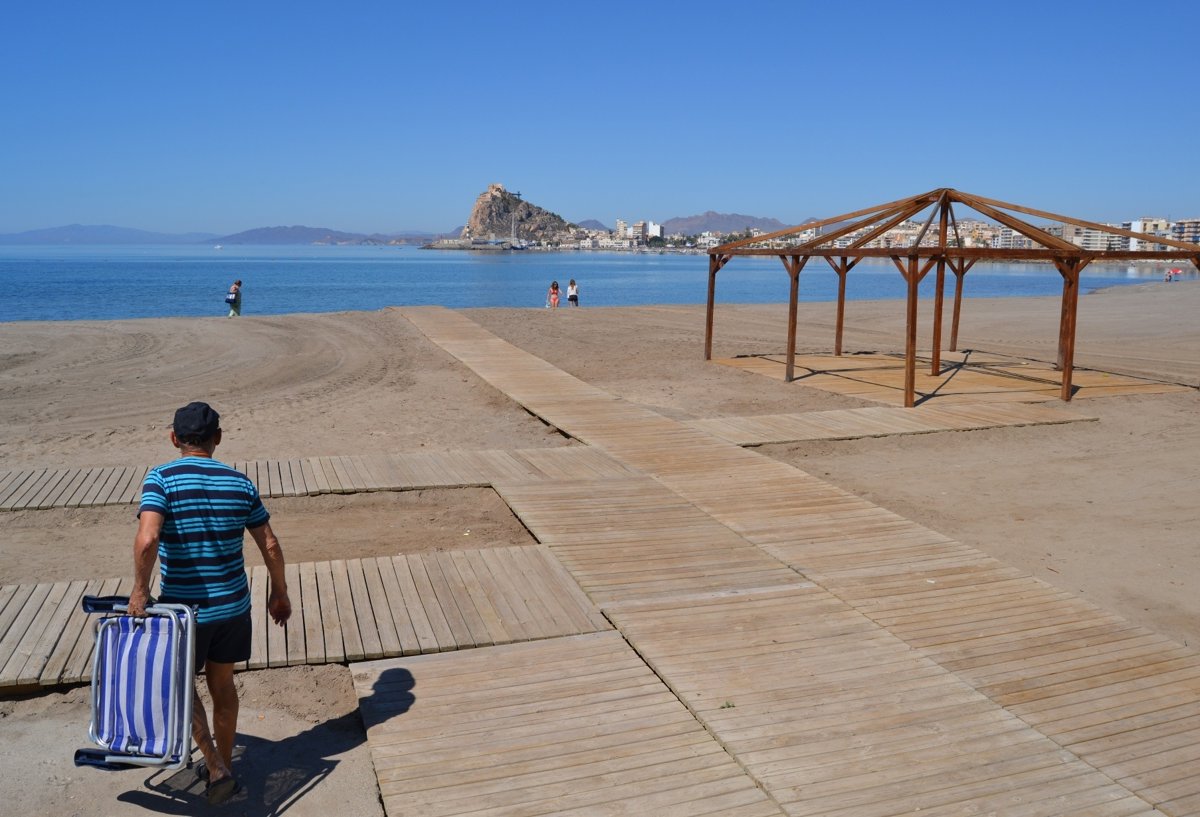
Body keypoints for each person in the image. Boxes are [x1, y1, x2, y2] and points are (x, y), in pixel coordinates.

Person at [128, 401, 290, 806]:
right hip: (233, 608)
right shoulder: (240, 483)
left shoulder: (161, 479)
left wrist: (140, 590)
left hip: (186, 614)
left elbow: (148, 539)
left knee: (177, 684)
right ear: (218, 437)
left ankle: (216, 766)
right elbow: (270, 544)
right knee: (223, 685)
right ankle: (225, 765)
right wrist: (279, 592)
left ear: (174, 438)